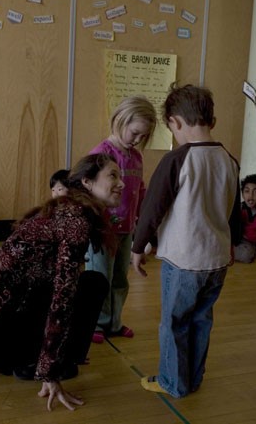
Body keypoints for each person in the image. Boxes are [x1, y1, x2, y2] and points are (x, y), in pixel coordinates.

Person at [0, 153, 124, 412]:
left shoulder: (68, 208)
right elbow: (61, 299)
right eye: (113, 175)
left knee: (82, 282)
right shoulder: (77, 221)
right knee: (93, 284)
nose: (122, 183)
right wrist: (51, 372)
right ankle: (29, 360)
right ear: (88, 182)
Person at [130, 84, 241, 398]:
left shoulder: (177, 159)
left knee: (174, 323)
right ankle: (193, 377)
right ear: (212, 121)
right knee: (201, 320)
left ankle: (172, 383)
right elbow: (234, 209)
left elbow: (153, 208)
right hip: (217, 260)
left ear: (175, 123)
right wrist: (232, 244)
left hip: (184, 260)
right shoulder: (229, 159)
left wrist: (138, 247)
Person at [87, 95, 157, 343]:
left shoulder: (136, 157)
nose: (138, 140)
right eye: (135, 133)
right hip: (103, 229)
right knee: (99, 278)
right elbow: (86, 190)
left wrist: (145, 217)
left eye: (143, 136)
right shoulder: (101, 153)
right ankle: (95, 323)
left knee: (119, 279)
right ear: (119, 120)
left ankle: (114, 323)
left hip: (127, 228)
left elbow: (140, 189)